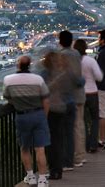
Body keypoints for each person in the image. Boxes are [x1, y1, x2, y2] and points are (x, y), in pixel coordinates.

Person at [4, 56, 50, 187]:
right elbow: (46, 99)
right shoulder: (38, 79)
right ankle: (42, 179)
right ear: (29, 65)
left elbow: (8, 97)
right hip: (38, 114)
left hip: (22, 116)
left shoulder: (8, 80)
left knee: (24, 148)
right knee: (40, 149)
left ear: (18, 66)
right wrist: (44, 117)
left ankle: (30, 176)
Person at [40, 51, 70, 180]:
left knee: (50, 141)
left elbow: (43, 90)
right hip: (61, 108)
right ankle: (58, 169)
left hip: (49, 109)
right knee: (58, 140)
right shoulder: (61, 73)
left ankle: (53, 169)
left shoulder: (45, 75)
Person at [59, 30, 84, 171]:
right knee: (74, 128)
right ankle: (77, 158)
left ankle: (66, 160)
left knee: (64, 130)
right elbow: (78, 76)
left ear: (60, 41)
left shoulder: (61, 56)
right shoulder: (76, 54)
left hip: (64, 97)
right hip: (77, 95)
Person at [73, 39, 103, 154]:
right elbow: (99, 77)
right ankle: (93, 144)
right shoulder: (90, 61)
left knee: (81, 120)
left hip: (79, 94)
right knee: (95, 119)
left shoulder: (74, 62)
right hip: (92, 93)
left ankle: (84, 145)